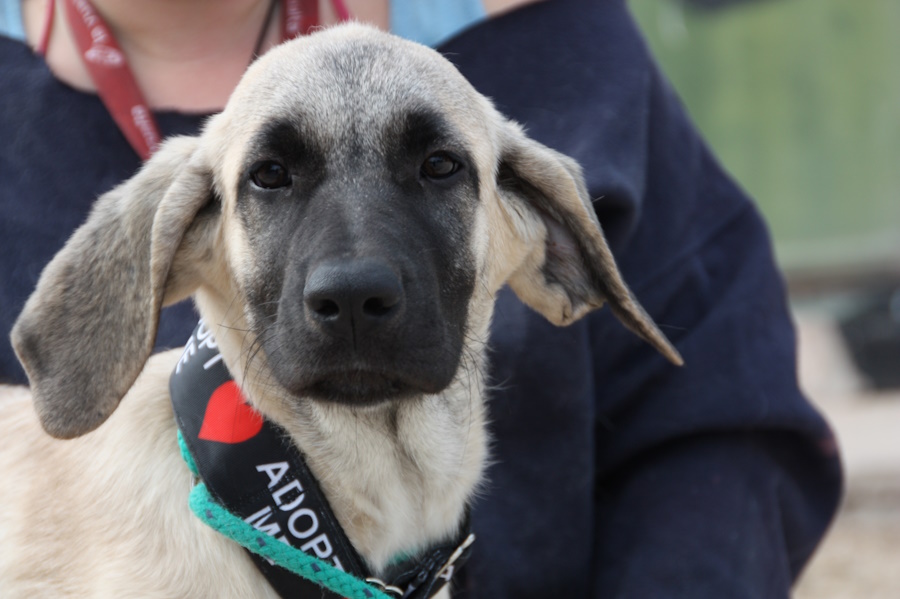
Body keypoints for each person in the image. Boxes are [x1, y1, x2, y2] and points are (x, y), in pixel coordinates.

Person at [0, 0, 841, 596]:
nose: (354, 276)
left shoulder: (554, 34)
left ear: (542, 234)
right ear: (189, 237)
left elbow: (727, 424)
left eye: (437, 168)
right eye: (271, 176)